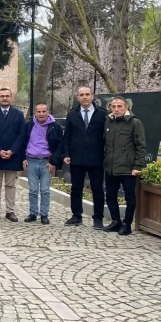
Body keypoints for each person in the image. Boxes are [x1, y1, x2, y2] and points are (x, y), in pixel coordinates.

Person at [63, 87, 108, 228]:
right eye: (81, 95)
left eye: (87, 94)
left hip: (96, 158)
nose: (85, 97)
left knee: (97, 189)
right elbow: (67, 137)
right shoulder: (72, 115)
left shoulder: (102, 114)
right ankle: (76, 216)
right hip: (77, 158)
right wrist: (66, 154)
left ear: (92, 96)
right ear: (77, 98)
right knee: (76, 188)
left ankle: (98, 218)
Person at [103, 96, 146, 236]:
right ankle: (116, 221)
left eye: (119, 106)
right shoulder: (108, 122)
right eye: (113, 106)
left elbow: (140, 146)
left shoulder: (135, 123)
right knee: (110, 195)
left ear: (126, 107)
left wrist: (138, 166)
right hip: (111, 167)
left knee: (130, 198)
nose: (116, 109)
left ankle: (127, 224)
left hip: (128, 168)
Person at [0, 88, 26, 222]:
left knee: (10, 185)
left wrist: (12, 151)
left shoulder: (19, 114)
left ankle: (10, 211)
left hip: (13, 155)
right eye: (2, 96)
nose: (5, 98)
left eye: (7, 96)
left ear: (11, 98)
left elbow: (22, 135)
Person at [22, 103, 63, 225]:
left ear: (48, 112)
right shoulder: (29, 125)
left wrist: (53, 161)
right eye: (38, 111)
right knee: (33, 190)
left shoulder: (55, 127)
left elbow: (60, 145)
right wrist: (23, 158)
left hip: (47, 162)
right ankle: (33, 213)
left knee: (45, 190)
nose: (41, 114)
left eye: (43, 111)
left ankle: (44, 214)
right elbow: (22, 142)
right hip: (31, 161)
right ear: (35, 112)